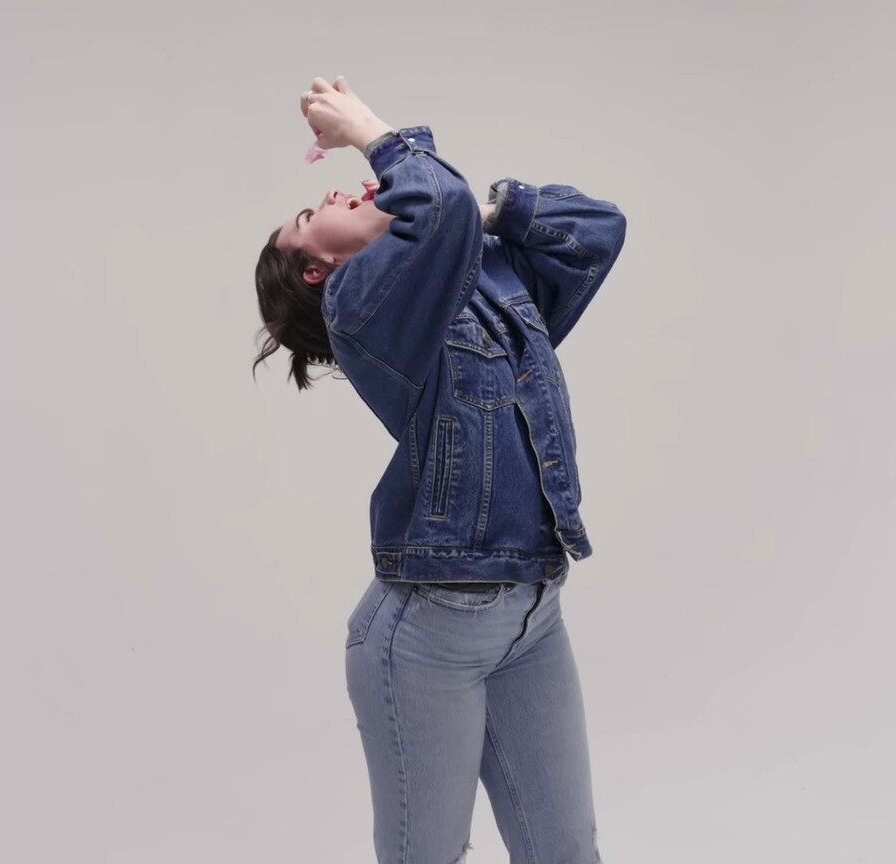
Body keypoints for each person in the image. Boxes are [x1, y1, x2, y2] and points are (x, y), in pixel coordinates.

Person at [252, 76, 627, 864]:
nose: (334, 193)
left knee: (568, 851)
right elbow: (439, 203)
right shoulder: (361, 310)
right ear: (317, 269)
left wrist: (491, 215)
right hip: (428, 630)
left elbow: (596, 228)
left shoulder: (482, 275)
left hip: (533, 609)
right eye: (312, 215)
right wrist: (368, 130)